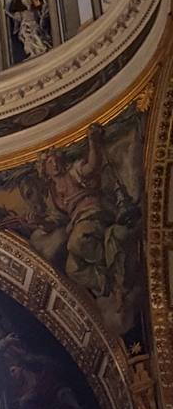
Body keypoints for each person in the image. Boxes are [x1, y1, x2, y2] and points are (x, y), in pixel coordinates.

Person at [40, 124, 126, 300]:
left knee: (76, 242)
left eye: (56, 159)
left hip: (94, 212)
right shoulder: (53, 194)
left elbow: (93, 166)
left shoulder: (73, 173)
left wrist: (93, 141)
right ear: (44, 170)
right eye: (50, 162)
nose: (55, 163)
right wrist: (35, 222)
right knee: (72, 269)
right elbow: (53, 222)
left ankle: (114, 272)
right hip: (79, 222)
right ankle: (111, 286)